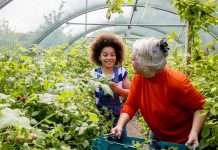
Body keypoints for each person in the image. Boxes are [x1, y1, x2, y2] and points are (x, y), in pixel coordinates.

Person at [111, 37, 207, 149]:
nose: (130, 62)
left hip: (182, 142)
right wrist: (120, 125)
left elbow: (202, 107)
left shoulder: (176, 83)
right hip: (157, 135)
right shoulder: (139, 78)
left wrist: (194, 133)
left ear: (147, 66)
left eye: (133, 59)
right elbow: (131, 105)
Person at [89, 32, 130, 138]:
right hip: (100, 115)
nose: (109, 57)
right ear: (99, 57)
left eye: (112, 54)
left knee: (120, 140)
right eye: (105, 55)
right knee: (104, 141)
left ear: (117, 56)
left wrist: (117, 89)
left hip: (118, 116)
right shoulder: (94, 73)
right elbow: (89, 95)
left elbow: (131, 93)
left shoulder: (121, 72)